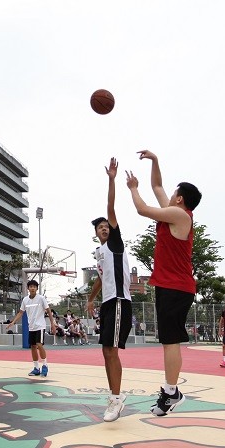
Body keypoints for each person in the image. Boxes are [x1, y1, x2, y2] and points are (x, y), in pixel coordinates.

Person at [125, 149, 202, 417]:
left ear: (179, 198)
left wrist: (133, 188)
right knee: (168, 341)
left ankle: (172, 392)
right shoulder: (172, 212)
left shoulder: (181, 216)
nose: (168, 194)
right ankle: (170, 392)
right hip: (170, 286)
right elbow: (157, 185)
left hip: (177, 287)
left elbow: (142, 208)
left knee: (170, 342)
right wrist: (155, 160)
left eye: (173, 193)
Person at [86, 156, 134, 422]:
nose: (104, 228)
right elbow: (100, 278)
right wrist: (91, 299)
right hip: (107, 302)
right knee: (106, 351)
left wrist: (112, 180)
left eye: (107, 226)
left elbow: (111, 208)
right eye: (100, 227)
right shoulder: (100, 252)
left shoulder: (115, 244)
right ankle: (116, 396)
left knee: (111, 351)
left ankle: (116, 399)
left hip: (118, 301)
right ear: (96, 233)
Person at [5, 279, 56, 377]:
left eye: (34, 287)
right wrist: (13, 322)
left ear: (36, 288)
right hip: (31, 327)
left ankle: (45, 365)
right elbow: (21, 312)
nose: (32, 288)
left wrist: (52, 323)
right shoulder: (25, 300)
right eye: (30, 286)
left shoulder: (41, 298)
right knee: (32, 347)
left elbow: (48, 311)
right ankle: (36, 368)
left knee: (39, 344)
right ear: (28, 288)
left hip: (40, 326)